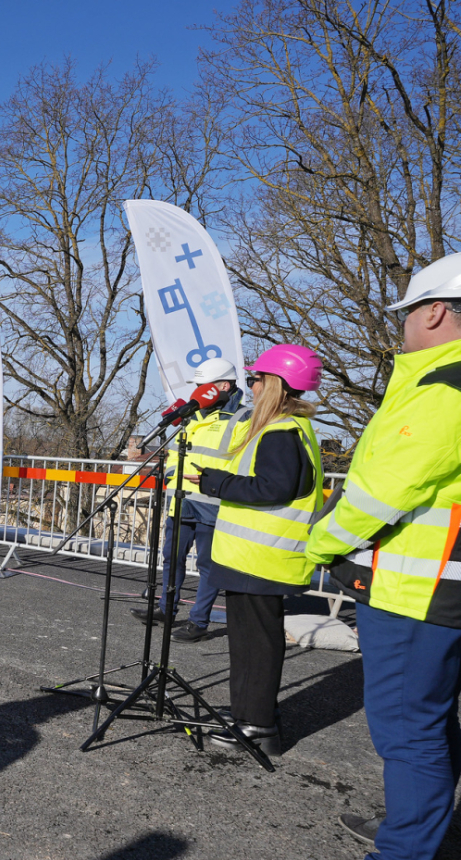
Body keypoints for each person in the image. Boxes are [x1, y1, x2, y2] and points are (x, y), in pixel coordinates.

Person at [305, 255, 461, 860]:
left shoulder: (442, 390)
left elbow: (379, 494)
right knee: (431, 721)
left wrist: (317, 544)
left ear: (435, 311)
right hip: (436, 593)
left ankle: (403, 848)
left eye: (408, 313)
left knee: (408, 731)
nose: (402, 326)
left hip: (416, 595)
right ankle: (417, 825)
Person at [189, 344, 324, 757]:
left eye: (257, 378)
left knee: (257, 645)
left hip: (262, 560)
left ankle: (257, 725)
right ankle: (246, 715)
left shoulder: (282, 429)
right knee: (248, 644)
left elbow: (274, 487)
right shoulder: (280, 428)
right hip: (253, 559)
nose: (252, 385)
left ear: (278, 384)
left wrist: (217, 485)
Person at [129, 357, 245, 642]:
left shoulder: (243, 418)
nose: (197, 392)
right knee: (172, 558)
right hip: (180, 500)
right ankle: (166, 609)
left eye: (203, 386)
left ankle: (199, 622)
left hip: (213, 503)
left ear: (225, 386)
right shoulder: (191, 416)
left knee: (207, 565)